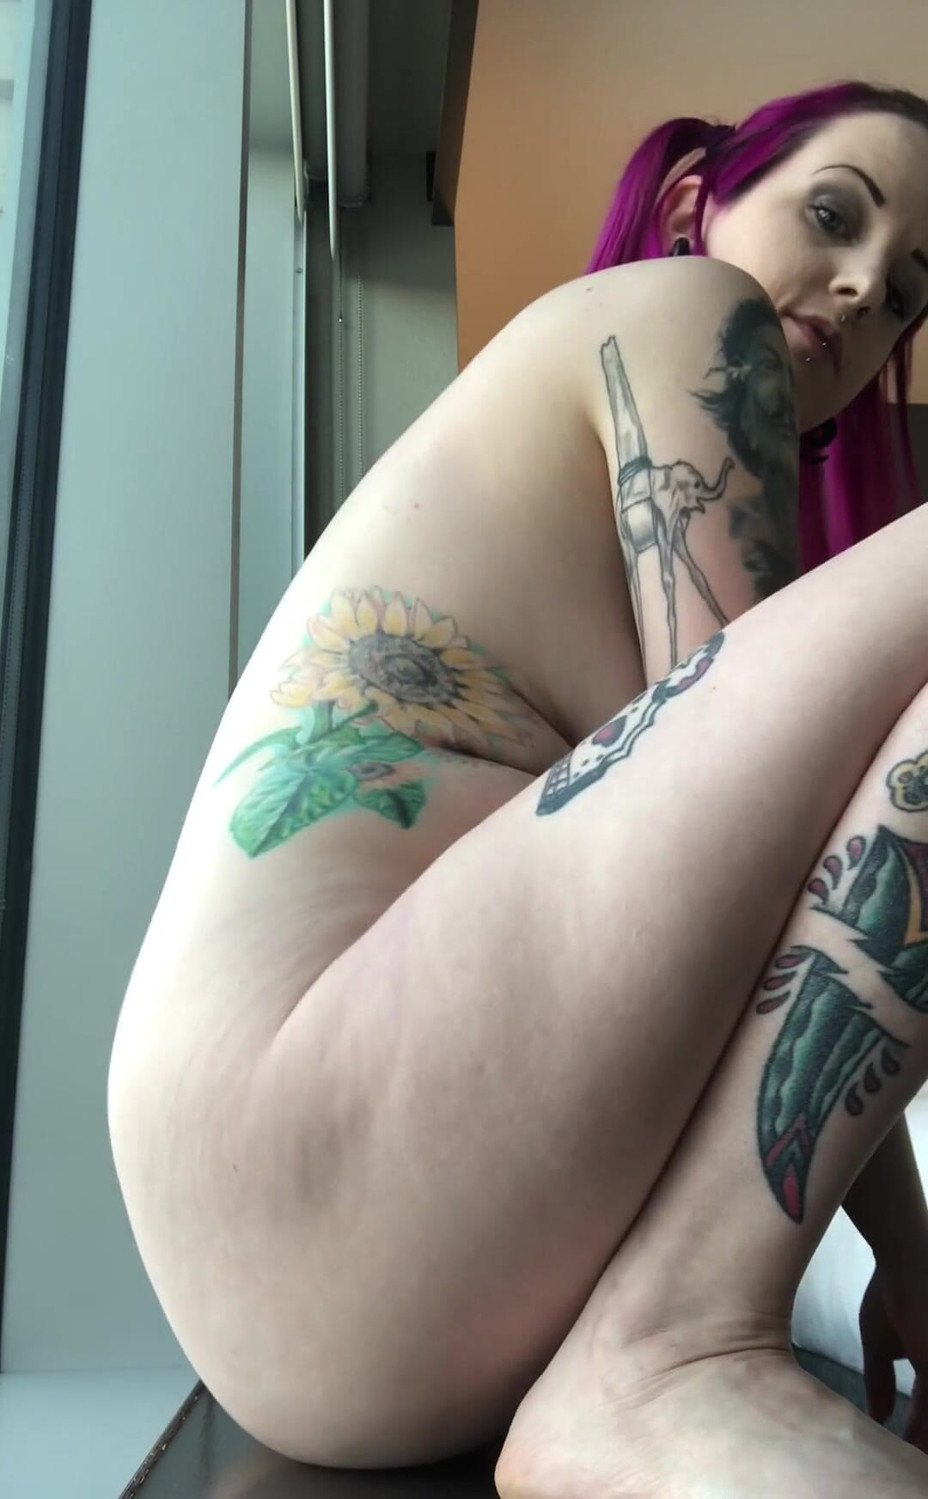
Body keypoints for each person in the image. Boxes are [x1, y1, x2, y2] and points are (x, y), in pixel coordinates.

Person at [106, 78, 928, 1496]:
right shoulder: (687, 310)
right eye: (833, 213)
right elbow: (790, 871)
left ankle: (667, 1345)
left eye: (909, 292)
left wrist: (909, 1265)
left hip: (338, 1262)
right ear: (697, 204)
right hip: (305, 1140)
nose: (864, 287)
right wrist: (906, 1258)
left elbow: (797, 912)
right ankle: (673, 1348)